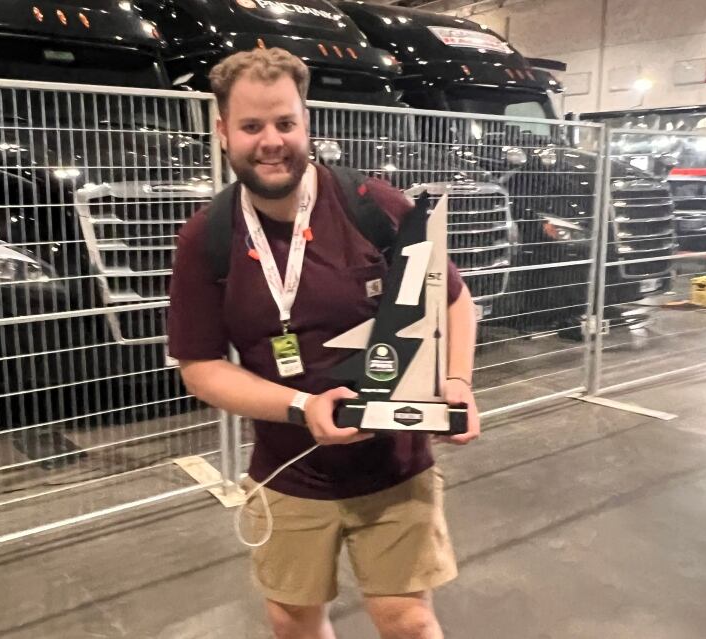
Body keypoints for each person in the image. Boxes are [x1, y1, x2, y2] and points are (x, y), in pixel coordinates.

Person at [168, 47, 480, 639]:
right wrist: (301, 407)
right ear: (222, 131)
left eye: (285, 123)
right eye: (252, 125)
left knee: (408, 620)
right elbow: (202, 367)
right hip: (290, 471)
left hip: (395, 467)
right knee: (292, 621)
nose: (271, 141)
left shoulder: (372, 206)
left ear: (305, 122)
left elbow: (456, 300)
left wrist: (457, 383)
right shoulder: (205, 240)